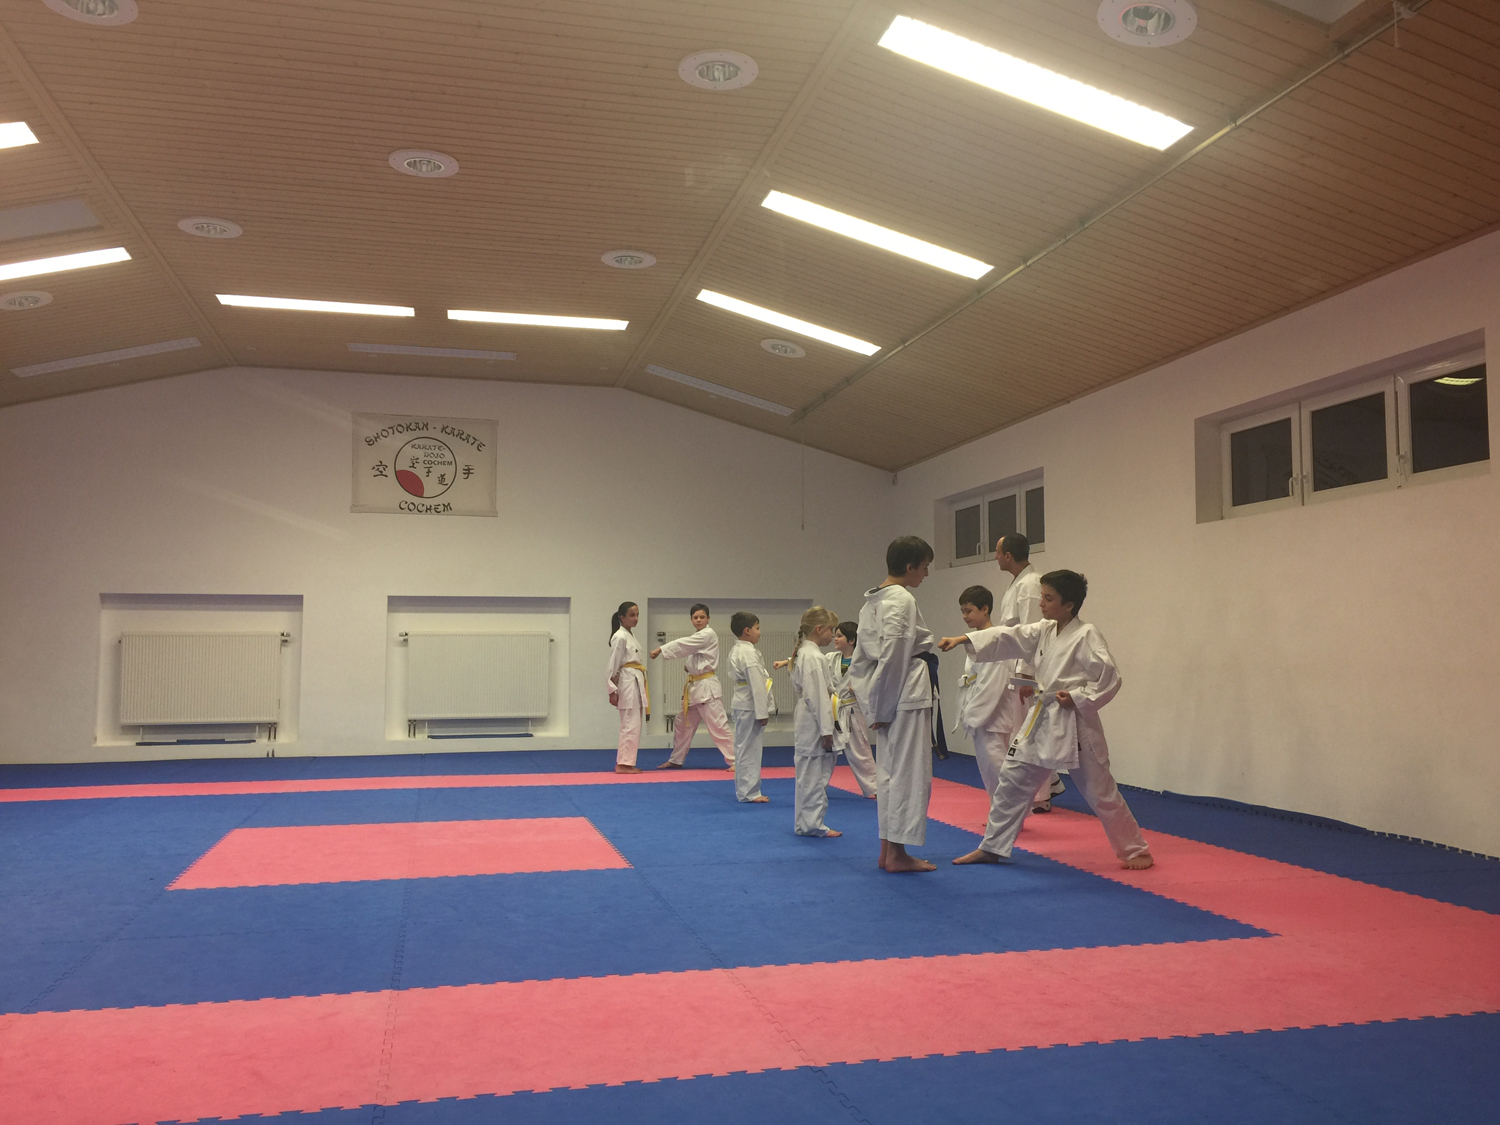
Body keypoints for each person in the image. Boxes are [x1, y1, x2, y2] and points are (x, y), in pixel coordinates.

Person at [938, 570, 1153, 870]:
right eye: (1042, 596)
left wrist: (1077, 697)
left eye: (1048, 598)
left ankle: (1136, 850)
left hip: (1074, 721)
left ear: (1069, 604)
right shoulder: (1044, 630)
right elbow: (1009, 635)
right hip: (1042, 717)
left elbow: (1110, 678)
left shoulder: (1086, 635)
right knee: (1011, 781)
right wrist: (965, 638)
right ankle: (992, 846)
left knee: (1100, 791)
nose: (1041, 603)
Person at [849, 535, 938, 874]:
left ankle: (888, 850)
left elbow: (861, 662)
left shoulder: (871, 602)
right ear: (909, 566)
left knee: (888, 774)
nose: (925, 574)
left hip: (887, 693)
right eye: (924, 567)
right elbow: (894, 655)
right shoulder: (902, 599)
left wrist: (871, 705)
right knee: (908, 774)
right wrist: (881, 708)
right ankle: (898, 854)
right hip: (905, 693)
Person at [991, 533, 1064, 813]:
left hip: (1027, 671)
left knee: (1028, 733)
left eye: (998, 552)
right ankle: (1051, 782)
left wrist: (1026, 674)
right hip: (1014, 666)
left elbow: (1034, 631)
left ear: (1008, 555)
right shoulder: (1020, 582)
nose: (995, 557)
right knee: (1023, 731)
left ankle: (1041, 796)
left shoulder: (1031, 584)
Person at [650, 603, 736, 770]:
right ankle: (676, 759)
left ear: (708, 618)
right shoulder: (699, 636)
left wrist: (661, 649)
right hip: (695, 688)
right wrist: (690, 667)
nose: (698, 620)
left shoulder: (708, 634)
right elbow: (694, 654)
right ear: (691, 620)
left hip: (707, 688)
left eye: (702, 617)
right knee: (682, 724)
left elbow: (684, 644)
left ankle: (736, 760)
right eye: (695, 617)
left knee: (717, 725)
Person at [952, 586, 1010, 813]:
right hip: (982, 712)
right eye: (962, 611)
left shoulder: (994, 640)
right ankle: (1002, 813)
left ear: (985, 609)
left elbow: (992, 684)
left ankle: (1007, 815)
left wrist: (973, 716)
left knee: (997, 768)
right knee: (989, 770)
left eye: (969, 610)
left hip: (992, 716)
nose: (965, 616)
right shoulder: (977, 640)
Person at [789, 606, 842, 837]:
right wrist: (826, 730)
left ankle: (805, 823)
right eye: (831, 630)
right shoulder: (813, 656)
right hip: (814, 720)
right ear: (819, 629)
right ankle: (812, 824)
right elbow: (818, 696)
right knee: (815, 776)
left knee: (808, 775)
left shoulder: (805, 653)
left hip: (808, 717)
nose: (832, 635)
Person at [727, 611, 774, 803]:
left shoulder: (739, 649)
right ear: (747, 631)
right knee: (749, 750)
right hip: (750, 705)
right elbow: (757, 683)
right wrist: (763, 712)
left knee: (744, 748)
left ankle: (745, 790)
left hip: (744, 703)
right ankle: (749, 792)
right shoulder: (747, 652)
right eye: (757, 628)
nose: (759, 632)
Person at [828, 622, 877, 798]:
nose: (835, 639)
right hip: (834, 709)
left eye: (839, 636)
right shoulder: (831, 658)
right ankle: (817, 788)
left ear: (851, 640)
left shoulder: (863, 661)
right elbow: (811, 663)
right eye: (835, 635)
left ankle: (873, 788)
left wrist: (860, 689)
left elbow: (874, 681)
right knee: (827, 750)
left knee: (859, 749)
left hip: (853, 709)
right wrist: (787, 662)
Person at [605, 601, 648, 774]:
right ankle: (623, 764)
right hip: (627, 681)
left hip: (635, 679)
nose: (636, 618)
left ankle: (627, 762)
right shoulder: (620, 636)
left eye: (637, 615)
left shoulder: (630, 635)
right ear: (622, 617)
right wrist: (612, 689)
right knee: (629, 723)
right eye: (631, 615)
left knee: (634, 723)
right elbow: (613, 664)